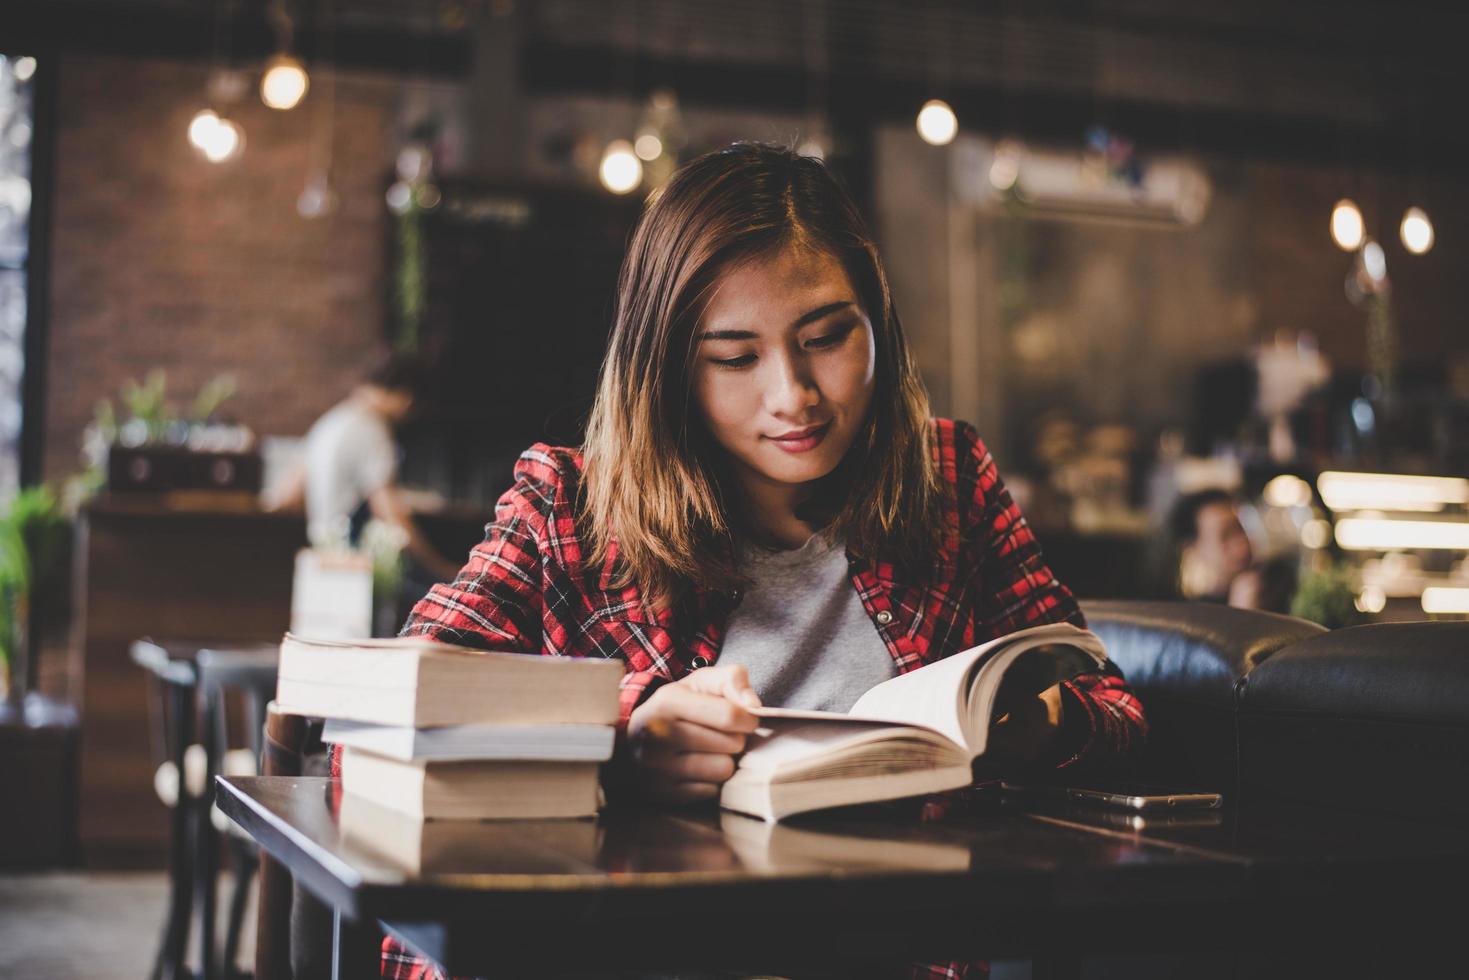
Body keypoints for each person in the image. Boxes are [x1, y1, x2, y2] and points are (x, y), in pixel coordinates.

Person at [364, 143, 1147, 980]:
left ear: (876, 321)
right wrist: (623, 728)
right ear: (665, 367)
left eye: (827, 337)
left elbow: (1115, 715)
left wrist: (1038, 724)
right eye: (735, 357)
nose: (793, 395)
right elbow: (388, 720)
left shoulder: (948, 480)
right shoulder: (567, 507)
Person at [268, 353, 461, 583]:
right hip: (354, 568)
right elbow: (390, 516)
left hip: (321, 557)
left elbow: (286, 495)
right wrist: (439, 567)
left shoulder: (330, 421)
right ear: (407, 398)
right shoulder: (373, 429)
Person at [1168, 488, 1293, 612]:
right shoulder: (1195, 615)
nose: (1241, 544)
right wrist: (1241, 614)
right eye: (1225, 536)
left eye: (1240, 528)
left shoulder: (1280, 581)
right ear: (1193, 549)